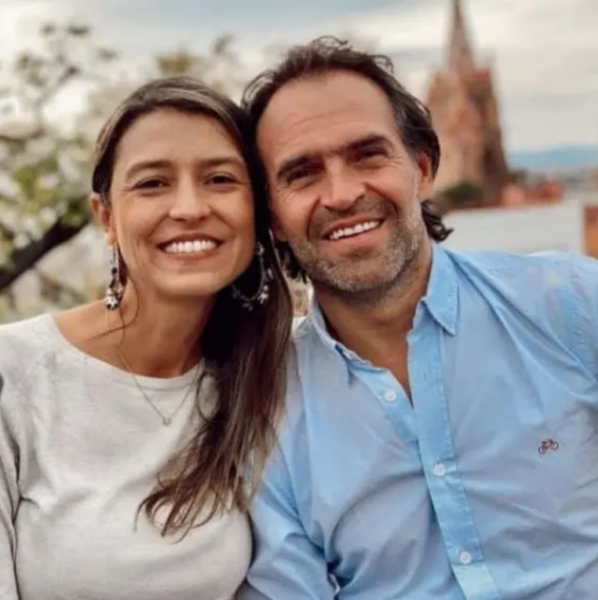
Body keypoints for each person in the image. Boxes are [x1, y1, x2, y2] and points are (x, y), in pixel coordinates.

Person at [238, 36, 598, 600]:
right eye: (302, 174)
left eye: (367, 155)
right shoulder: (266, 416)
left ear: (422, 170)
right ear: (274, 219)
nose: (342, 194)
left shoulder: (571, 305)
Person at [0, 75, 293, 600]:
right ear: (107, 218)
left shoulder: (268, 373)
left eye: (220, 179)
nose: (189, 208)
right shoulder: (15, 374)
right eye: (153, 183)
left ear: (259, 210)